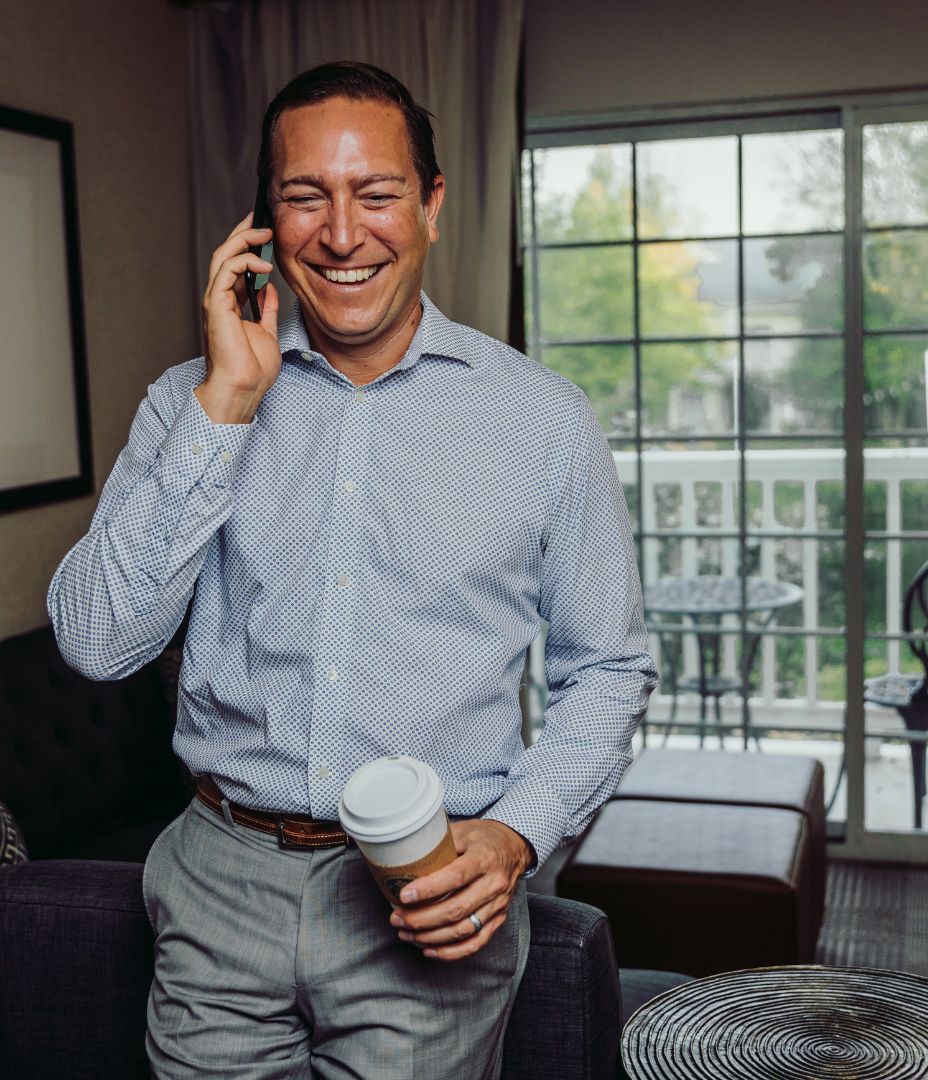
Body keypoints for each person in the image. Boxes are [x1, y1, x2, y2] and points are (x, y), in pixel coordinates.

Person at [48, 61, 656, 1079]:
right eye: (304, 198)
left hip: (423, 903)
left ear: (430, 205)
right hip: (216, 887)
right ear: (262, 225)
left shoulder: (545, 422)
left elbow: (608, 669)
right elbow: (99, 642)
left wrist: (514, 836)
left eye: (375, 194)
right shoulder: (186, 404)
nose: (340, 234)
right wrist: (226, 408)